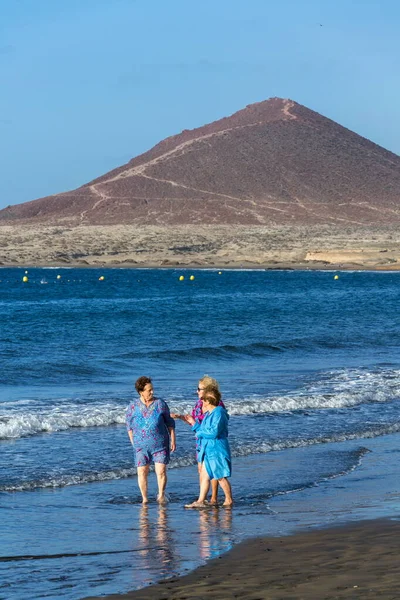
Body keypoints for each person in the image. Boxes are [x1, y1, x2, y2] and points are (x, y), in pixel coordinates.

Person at [171, 376, 225, 505]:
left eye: (199, 389)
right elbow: (193, 421)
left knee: (212, 469)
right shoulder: (198, 404)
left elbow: (216, 427)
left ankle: (213, 498)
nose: (197, 391)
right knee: (202, 470)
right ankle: (204, 498)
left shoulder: (217, 405)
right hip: (200, 440)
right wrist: (180, 417)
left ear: (208, 390)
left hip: (213, 441)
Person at [126, 376, 176, 504]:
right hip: (140, 447)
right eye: (149, 390)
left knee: (161, 471)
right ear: (141, 392)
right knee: (142, 472)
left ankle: (161, 495)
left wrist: (173, 440)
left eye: (152, 389)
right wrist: (134, 442)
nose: (152, 392)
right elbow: (129, 426)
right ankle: (145, 499)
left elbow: (170, 423)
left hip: (160, 445)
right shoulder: (133, 406)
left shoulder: (160, 404)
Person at [184, 389, 233, 508]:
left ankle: (229, 499)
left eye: (204, 400)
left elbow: (213, 432)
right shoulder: (208, 414)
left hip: (217, 449)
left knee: (220, 476)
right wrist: (193, 423)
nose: (202, 402)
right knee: (205, 476)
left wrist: (198, 431)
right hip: (207, 449)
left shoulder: (219, 413)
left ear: (209, 401)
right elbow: (202, 429)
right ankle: (200, 500)